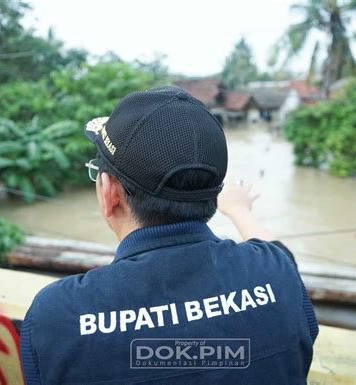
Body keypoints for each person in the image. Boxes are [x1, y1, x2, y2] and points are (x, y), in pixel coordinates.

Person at [20, 86, 318, 385]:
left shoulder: (59, 317)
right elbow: (275, 253)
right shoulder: (278, 276)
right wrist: (240, 211)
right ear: (214, 191)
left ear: (109, 192)